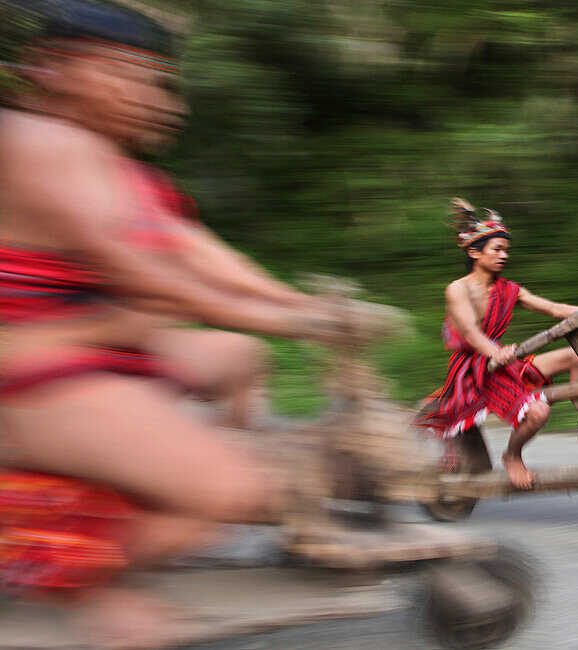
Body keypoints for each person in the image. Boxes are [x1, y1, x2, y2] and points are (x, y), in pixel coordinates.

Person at [0, 2, 376, 645]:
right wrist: (299, 324)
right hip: (33, 365)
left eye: (155, 81)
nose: (150, 98)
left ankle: (156, 472)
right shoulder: (31, 142)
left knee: (239, 359)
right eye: (127, 76)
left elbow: (207, 258)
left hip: (106, 346)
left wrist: (308, 309)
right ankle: (89, 582)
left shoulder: (122, 169)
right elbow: (149, 278)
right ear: (54, 70)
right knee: (232, 492)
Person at [417, 199, 578, 489]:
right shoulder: (457, 288)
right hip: (474, 369)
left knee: (576, 357)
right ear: (475, 252)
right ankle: (512, 456)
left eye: (506, 250)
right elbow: (470, 332)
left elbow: (553, 308)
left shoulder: (510, 289)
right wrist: (496, 353)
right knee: (539, 411)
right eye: (497, 249)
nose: (504, 256)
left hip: (505, 361)